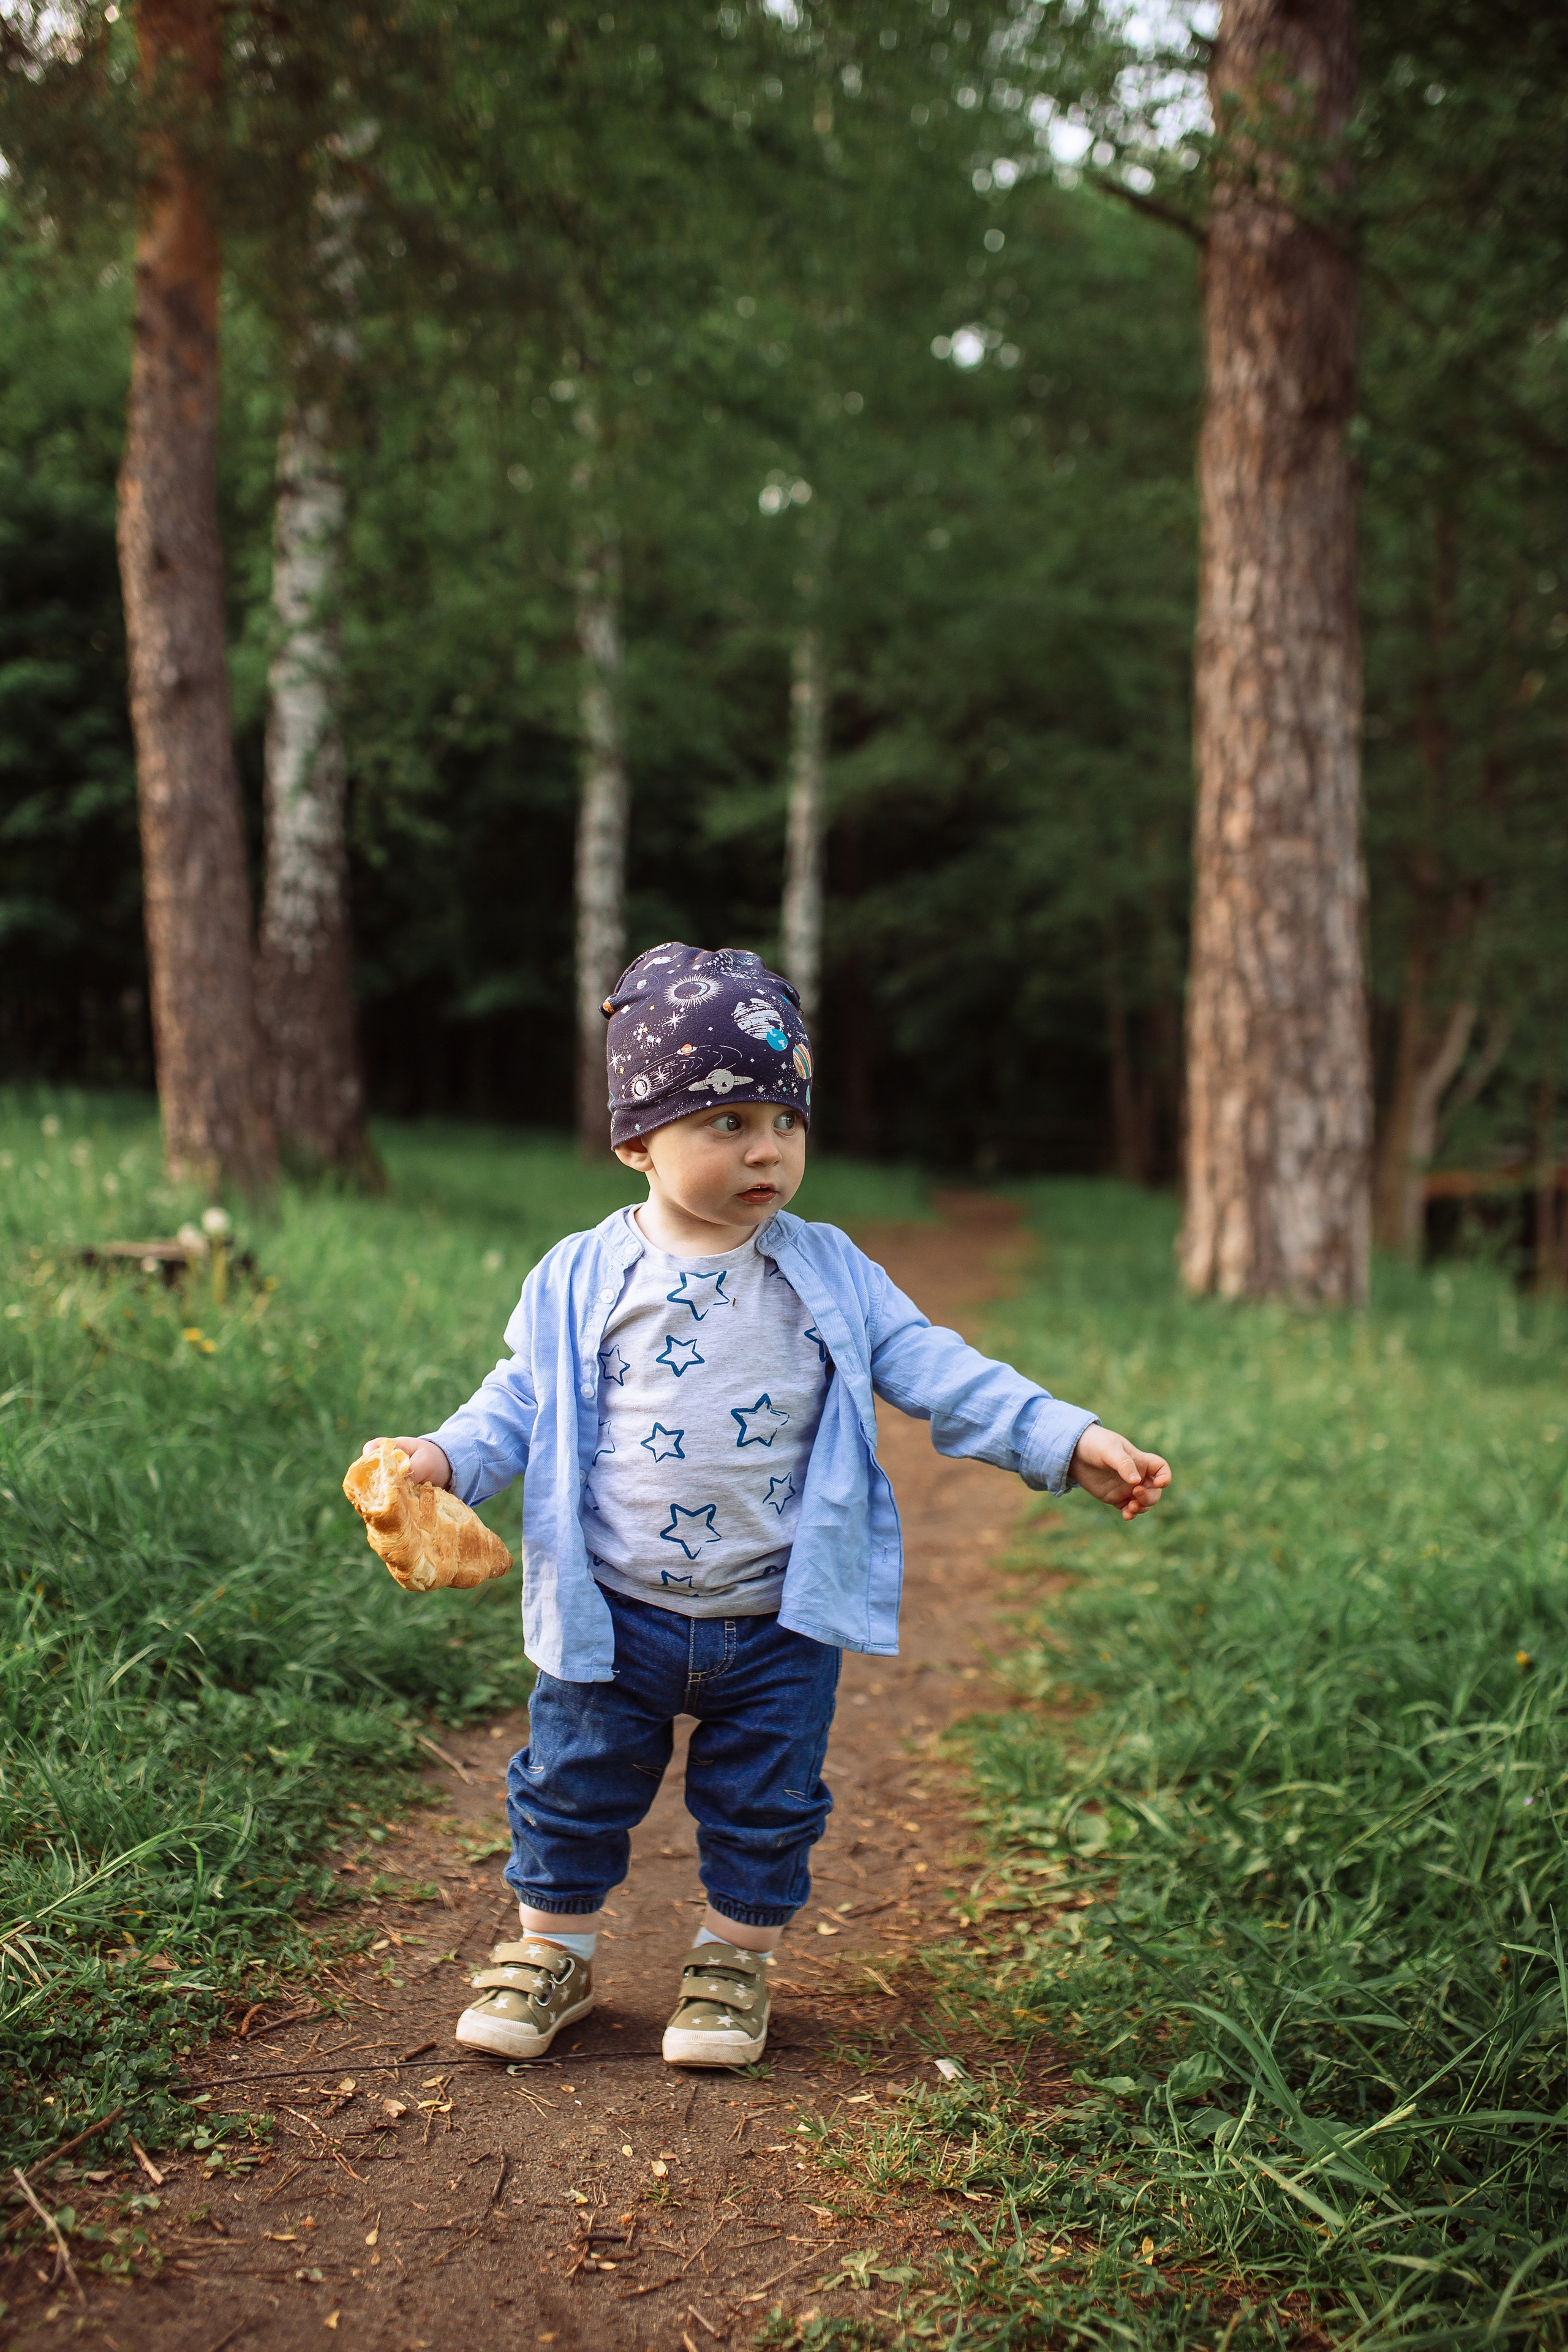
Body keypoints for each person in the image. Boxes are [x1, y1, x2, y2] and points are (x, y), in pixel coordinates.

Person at [364, 942, 1170, 2070]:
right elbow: (518, 1403)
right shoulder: (581, 1275)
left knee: (767, 1805)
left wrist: (1062, 1435)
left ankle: (731, 1963)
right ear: (639, 1140)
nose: (768, 1150)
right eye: (727, 1123)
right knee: (568, 1789)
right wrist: (441, 1461)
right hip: (613, 1610)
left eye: (785, 1122)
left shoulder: (826, 1268)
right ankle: (554, 1952)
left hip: (777, 1616)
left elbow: (934, 1365)